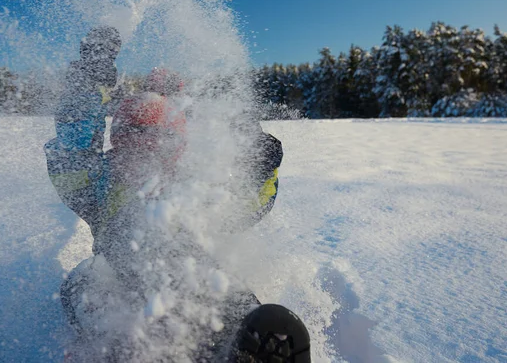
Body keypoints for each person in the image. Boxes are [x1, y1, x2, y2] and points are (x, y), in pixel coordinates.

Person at [44, 26, 310, 362]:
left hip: (194, 281)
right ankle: (115, 350)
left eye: (156, 141)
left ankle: (248, 345)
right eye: (133, 139)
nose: (143, 151)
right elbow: (72, 154)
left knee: (226, 289)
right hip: (122, 288)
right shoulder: (99, 180)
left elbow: (245, 207)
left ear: (176, 142)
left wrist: (262, 168)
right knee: (84, 279)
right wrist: (86, 83)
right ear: (117, 139)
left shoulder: (195, 179)